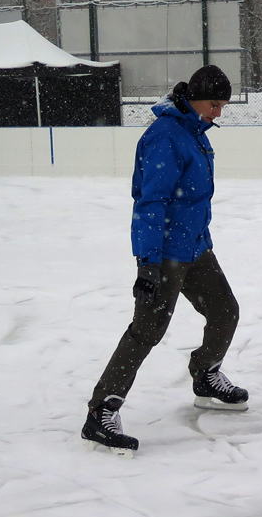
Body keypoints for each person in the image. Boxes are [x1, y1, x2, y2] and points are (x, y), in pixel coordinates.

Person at [82, 64, 247, 457]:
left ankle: (205, 375)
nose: (218, 113)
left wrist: (201, 239)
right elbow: (151, 202)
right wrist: (148, 263)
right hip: (166, 253)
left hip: (195, 247)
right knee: (147, 329)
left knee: (225, 311)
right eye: (214, 104)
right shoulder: (165, 137)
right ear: (194, 98)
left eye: (222, 106)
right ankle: (101, 412)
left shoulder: (194, 132)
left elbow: (194, 198)